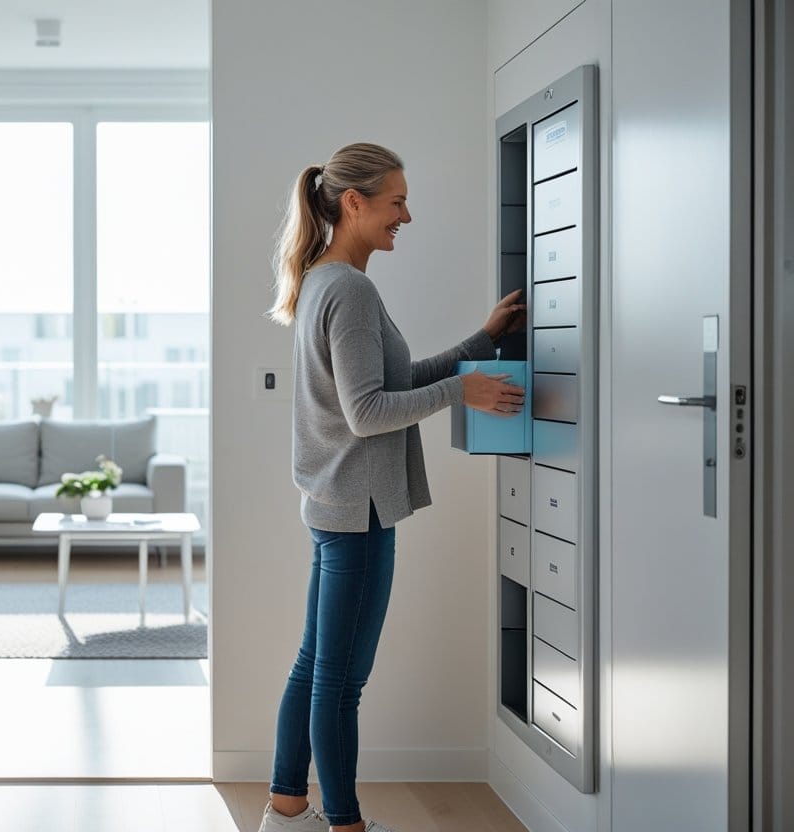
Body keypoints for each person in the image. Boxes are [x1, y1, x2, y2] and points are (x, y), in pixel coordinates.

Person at [256, 143, 527, 832]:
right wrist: (461, 390)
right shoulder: (349, 288)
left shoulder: (324, 279)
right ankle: (343, 823)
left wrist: (479, 341)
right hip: (358, 511)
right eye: (396, 201)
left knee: (316, 664)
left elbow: (390, 384)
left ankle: (288, 809)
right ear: (355, 202)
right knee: (340, 681)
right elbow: (367, 413)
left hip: (334, 502)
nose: (407, 214)